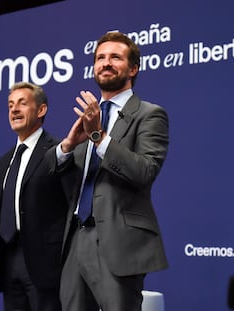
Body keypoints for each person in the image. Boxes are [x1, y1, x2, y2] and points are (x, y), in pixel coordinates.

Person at [46, 31, 169, 311]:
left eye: (115, 57)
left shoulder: (149, 114)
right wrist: (67, 145)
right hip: (76, 240)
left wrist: (99, 138)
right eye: (100, 58)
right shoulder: (90, 118)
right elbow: (51, 175)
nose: (106, 63)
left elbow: (145, 171)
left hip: (118, 241)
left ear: (133, 68)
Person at [0, 81, 68, 311]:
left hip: (45, 264)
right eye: (10, 105)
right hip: (10, 261)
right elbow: (0, 214)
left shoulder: (59, 151)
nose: (14, 110)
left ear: (41, 110)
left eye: (22, 103)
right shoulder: (4, 162)